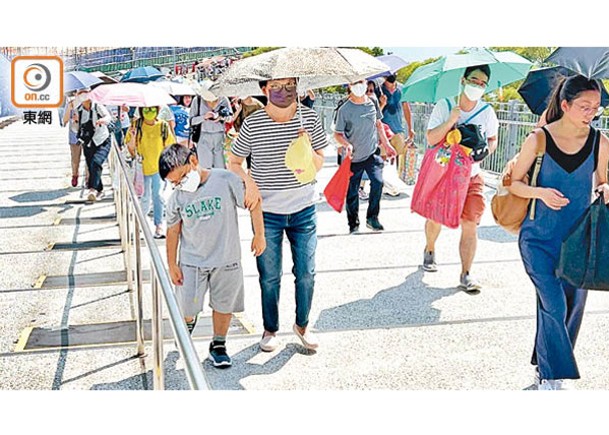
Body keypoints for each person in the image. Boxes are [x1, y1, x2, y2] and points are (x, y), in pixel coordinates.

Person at [508, 75, 609, 390]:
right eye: (584, 106)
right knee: (553, 303)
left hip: (579, 241)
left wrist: (605, 187)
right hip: (538, 239)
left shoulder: (600, 142)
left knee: (574, 306)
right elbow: (513, 183)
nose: (590, 112)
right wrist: (541, 193)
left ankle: (544, 362)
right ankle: (553, 378)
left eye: (595, 107)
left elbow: (603, 180)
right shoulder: (538, 139)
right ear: (565, 105)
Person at [229, 77, 328, 353]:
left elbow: (319, 158)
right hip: (267, 212)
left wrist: (307, 155)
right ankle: (270, 328)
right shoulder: (253, 123)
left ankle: (303, 325)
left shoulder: (308, 118)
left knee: (306, 272)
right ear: (264, 90)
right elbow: (234, 162)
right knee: (269, 276)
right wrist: (248, 181)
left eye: (289, 85)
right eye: (276, 85)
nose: (284, 91)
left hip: (304, 209)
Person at [160, 144, 266, 368]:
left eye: (181, 178)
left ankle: (218, 344)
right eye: (174, 183)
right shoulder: (176, 198)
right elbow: (172, 232)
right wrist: (172, 264)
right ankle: (188, 324)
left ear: (194, 161)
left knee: (224, 305)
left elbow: (254, 201)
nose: (179, 185)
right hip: (192, 261)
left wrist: (259, 235)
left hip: (226, 258)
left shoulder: (225, 180)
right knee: (187, 306)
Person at [422, 64, 499, 292]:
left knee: (470, 223)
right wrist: (450, 121)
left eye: (482, 83)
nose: (477, 86)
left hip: (472, 176)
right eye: (474, 80)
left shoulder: (487, 112)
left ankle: (466, 273)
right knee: (436, 217)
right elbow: (430, 138)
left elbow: (493, 139)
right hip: (444, 174)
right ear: (463, 80)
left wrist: (485, 151)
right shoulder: (445, 105)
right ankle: (429, 248)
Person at [334, 79, 396, 234]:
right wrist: (346, 145)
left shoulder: (373, 103)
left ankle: (372, 218)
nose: (359, 86)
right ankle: (353, 223)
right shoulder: (344, 109)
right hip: (353, 158)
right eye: (355, 83)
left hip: (371, 153)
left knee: (378, 182)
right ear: (349, 86)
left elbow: (379, 125)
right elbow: (337, 134)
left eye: (361, 82)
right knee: (352, 191)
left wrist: (387, 145)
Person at [125, 106, 176, 238]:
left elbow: (170, 146)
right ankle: (141, 223)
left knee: (158, 196)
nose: (149, 113)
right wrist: (132, 137)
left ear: (157, 110)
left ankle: (159, 225)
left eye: (152, 109)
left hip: (158, 168)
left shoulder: (163, 126)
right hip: (141, 169)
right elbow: (130, 149)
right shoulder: (136, 125)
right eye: (146, 110)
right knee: (145, 198)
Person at [74, 88, 112, 202]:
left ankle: (92, 189)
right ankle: (99, 190)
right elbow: (75, 129)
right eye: (80, 93)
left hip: (102, 140)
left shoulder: (97, 106)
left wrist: (102, 121)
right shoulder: (78, 110)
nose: (83, 95)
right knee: (91, 166)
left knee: (96, 162)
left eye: (85, 92)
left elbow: (108, 117)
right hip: (88, 142)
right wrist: (75, 121)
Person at [381, 74, 415, 180]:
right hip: (383, 130)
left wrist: (410, 128)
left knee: (400, 156)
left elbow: (406, 109)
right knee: (382, 157)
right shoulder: (379, 90)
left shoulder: (402, 89)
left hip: (398, 129)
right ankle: (381, 183)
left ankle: (397, 181)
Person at [190, 89, 233, 169]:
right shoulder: (197, 100)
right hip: (203, 137)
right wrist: (204, 117)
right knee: (205, 169)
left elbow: (230, 118)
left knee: (220, 168)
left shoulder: (223, 99)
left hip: (219, 138)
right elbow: (191, 121)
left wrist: (221, 117)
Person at [61, 94, 89, 187]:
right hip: (74, 136)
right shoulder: (71, 103)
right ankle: (75, 175)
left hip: (88, 135)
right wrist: (69, 108)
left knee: (89, 158)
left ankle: (88, 179)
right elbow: (64, 121)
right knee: (75, 159)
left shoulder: (91, 102)